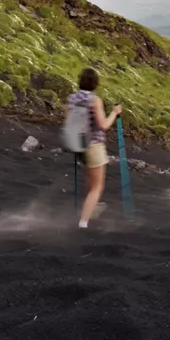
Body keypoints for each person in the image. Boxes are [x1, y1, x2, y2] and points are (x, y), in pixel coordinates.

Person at [66, 68, 122, 229]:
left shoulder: (71, 99)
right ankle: (84, 222)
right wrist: (115, 112)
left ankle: (88, 208)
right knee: (98, 186)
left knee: (90, 179)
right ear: (95, 83)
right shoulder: (95, 100)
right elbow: (103, 125)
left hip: (78, 145)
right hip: (94, 145)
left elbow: (68, 122)